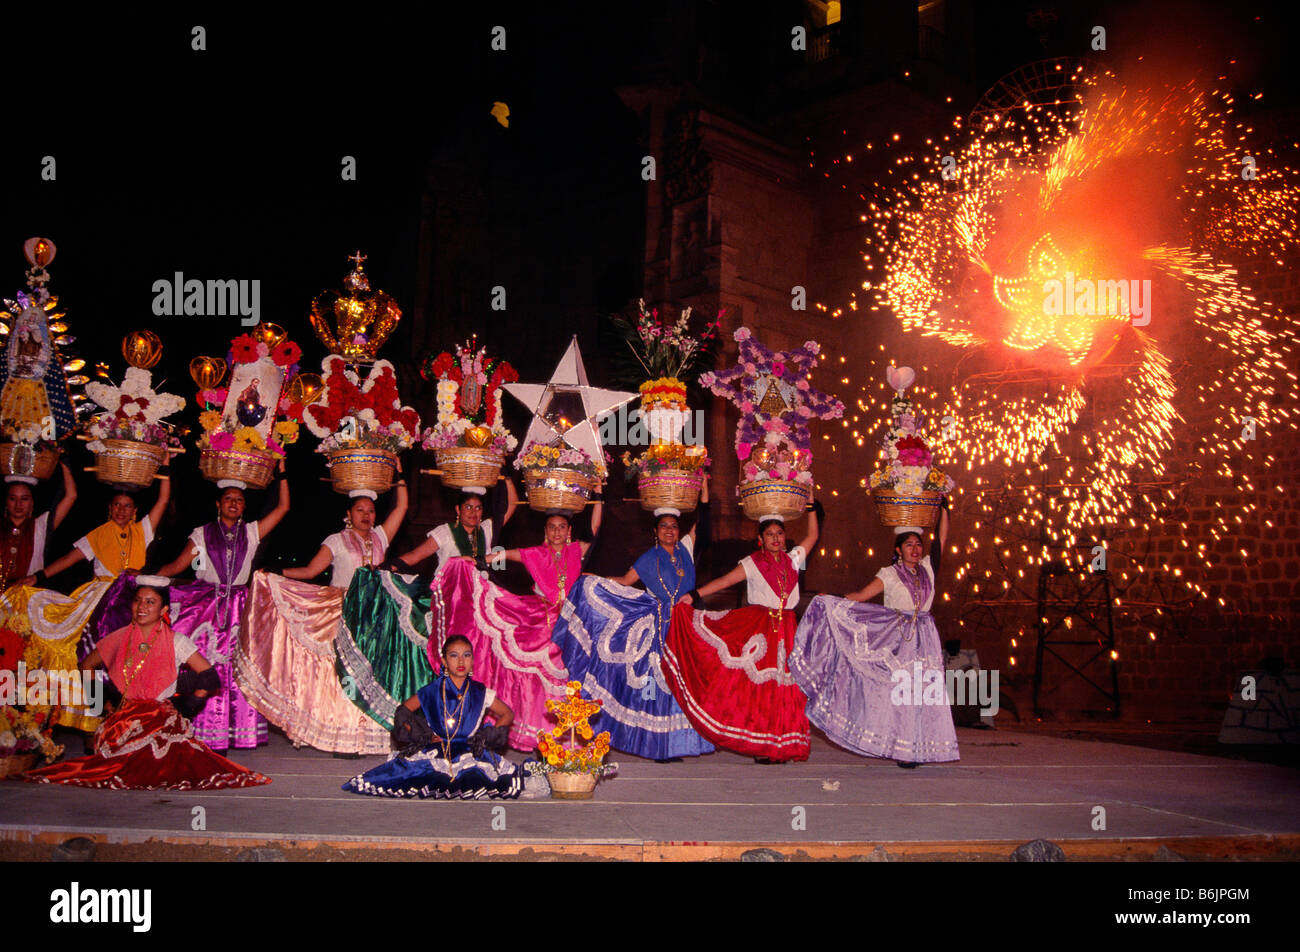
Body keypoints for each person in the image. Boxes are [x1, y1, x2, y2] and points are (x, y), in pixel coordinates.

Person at [18, 580, 270, 790]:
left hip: (160, 719)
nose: (142, 607)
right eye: (138, 600)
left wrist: (189, 702)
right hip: (122, 720)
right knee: (117, 770)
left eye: (150, 602)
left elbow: (209, 676)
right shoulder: (118, 638)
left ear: (164, 610)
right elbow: (85, 666)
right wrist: (100, 704)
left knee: (162, 769)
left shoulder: (176, 641)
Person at [233, 483, 408, 755]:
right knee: (345, 674)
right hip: (344, 609)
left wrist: (399, 477)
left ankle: (370, 733)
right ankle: (344, 736)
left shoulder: (381, 537)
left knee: (372, 674)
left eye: (371, 511)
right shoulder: (336, 540)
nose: (367, 515)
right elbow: (312, 570)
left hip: (376, 614)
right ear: (348, 514)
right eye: (360, 510)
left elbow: (402, 507)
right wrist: (280, 572)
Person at [549, 481, 714, 761]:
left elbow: (705, 519)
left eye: (674, 526)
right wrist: (595, 580)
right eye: (664, 527)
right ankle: (657, 744)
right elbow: (625, 582)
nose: (669, 531)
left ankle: (680, 741)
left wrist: (705, 484)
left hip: (686, 626)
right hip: (657, 626)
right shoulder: (648, 558)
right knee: (656, 684)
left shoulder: (686, 548)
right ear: (656, 532)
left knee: (682, 681)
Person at [421, 503, 602, 751]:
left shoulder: (576, 550)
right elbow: (501, 554)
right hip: (541, 620)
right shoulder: (536, 553)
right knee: (535, 679)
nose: (557, 532)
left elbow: (594, 527)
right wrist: (473, 561)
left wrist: (599, 496)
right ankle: (540, 731)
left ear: (569, 530)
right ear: (546, 531)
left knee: (568, 677)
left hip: (571, 620)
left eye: (561, 527)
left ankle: (568, 736)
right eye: (552, 528)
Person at [789, 500, 958, 766]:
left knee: (923, 693)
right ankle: (900, 748)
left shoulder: (927, 569)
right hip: (898, 637)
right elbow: (861, 596)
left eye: (918, 545)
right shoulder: (889, 574)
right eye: (909, 545)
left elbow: (942, 539)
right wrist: (832, 598)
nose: (915, 549)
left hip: (926, 638)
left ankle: (919, 747)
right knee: (899, 693)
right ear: (898, 550)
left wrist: (945, 508)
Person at [7, 479, 170, 732]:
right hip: (99, 600)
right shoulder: (99, 534)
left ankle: (126, 719)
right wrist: (38, 577)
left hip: (132, 600)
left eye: (127, 506)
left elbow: (162, 500)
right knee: (90, 658)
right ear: (110, 508)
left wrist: (166, 470)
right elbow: (69, 559)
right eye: (117, 505)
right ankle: (93, 719)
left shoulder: (142, 531)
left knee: (130, 660)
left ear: (135, 510)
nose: (121, 511)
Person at [665, 502, 820, 762]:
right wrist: (693, 595)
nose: (775, 539)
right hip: (761, 627)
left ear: (785, 537)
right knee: (761, 690)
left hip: (788, 629)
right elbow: (724, 581)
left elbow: (813, 536)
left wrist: (812, 507)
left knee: (786, 689)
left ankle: (782, 743)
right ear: (760, 539)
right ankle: (762, 745)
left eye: (779, 534)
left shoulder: (794, 560)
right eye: (769, 535)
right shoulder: (752, 563)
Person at [152, 472, 290, 751]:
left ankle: (240, 733)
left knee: (238, 669)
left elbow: (283, 508)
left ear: (244, 506)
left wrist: (282, 473)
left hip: (240, 606)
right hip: (208, 606)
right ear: (218, 503)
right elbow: (179, 566)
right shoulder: (202, 534)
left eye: (239, 500)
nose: (234, 503)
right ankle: (206, 732)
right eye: (228, 499)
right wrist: (148, 579)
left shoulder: (251, 532)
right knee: (208, 667)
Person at [341, 635, 523, 800]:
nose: (461, 661)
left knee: (477, 776)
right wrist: (424, 736)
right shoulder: (431, 691)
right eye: (454, 655)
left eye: (466, 655)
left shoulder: (480, 692)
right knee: (416, 775)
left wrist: (485, 737)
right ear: (444, 661)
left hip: (468, 751)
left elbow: (507, 713)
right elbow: (402, 711)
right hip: (438, 749)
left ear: (473, 660)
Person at [0, 463, 77, 590]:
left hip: (29, 596)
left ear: (32, 503)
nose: (18, 504)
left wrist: (64, 464)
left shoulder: (40, 525)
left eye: (24, 499)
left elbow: (71, 496)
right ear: (6, 502)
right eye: (13, 499)